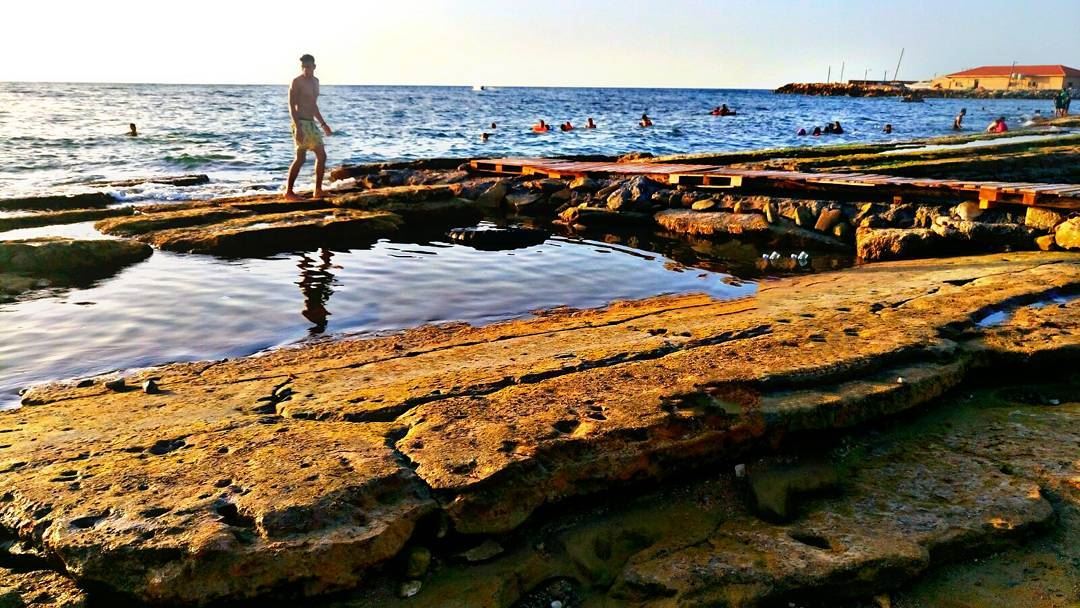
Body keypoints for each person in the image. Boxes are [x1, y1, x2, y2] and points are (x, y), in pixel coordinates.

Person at [285, 54, 333, 201]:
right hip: (300, 122)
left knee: (322, 155)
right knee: (300, 158)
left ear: (314, 67)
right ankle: (289, 192)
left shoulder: (316, 82)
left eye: (309, 67)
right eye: (303, 67)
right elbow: (291, 106)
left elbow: (313, 105)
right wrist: (298, 127)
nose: (306, 69)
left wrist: (323, 124)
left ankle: (318, 190)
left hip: (311, 123)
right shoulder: (296, 82)